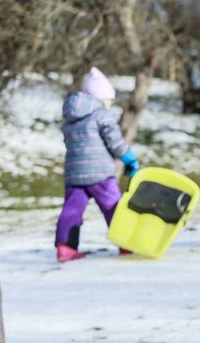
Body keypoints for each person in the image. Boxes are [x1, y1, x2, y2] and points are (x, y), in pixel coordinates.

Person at [55, 67, 140, 263]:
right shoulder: (101, 114)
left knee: (71, 210)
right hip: (100, 173)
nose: (109, 104)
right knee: (114, 208)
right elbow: (115, 142)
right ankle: (126, 244)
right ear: (100, 98)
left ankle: (65, 248)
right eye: (108, 100)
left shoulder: (70, 117)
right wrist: (130, 159)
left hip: (74, 174)